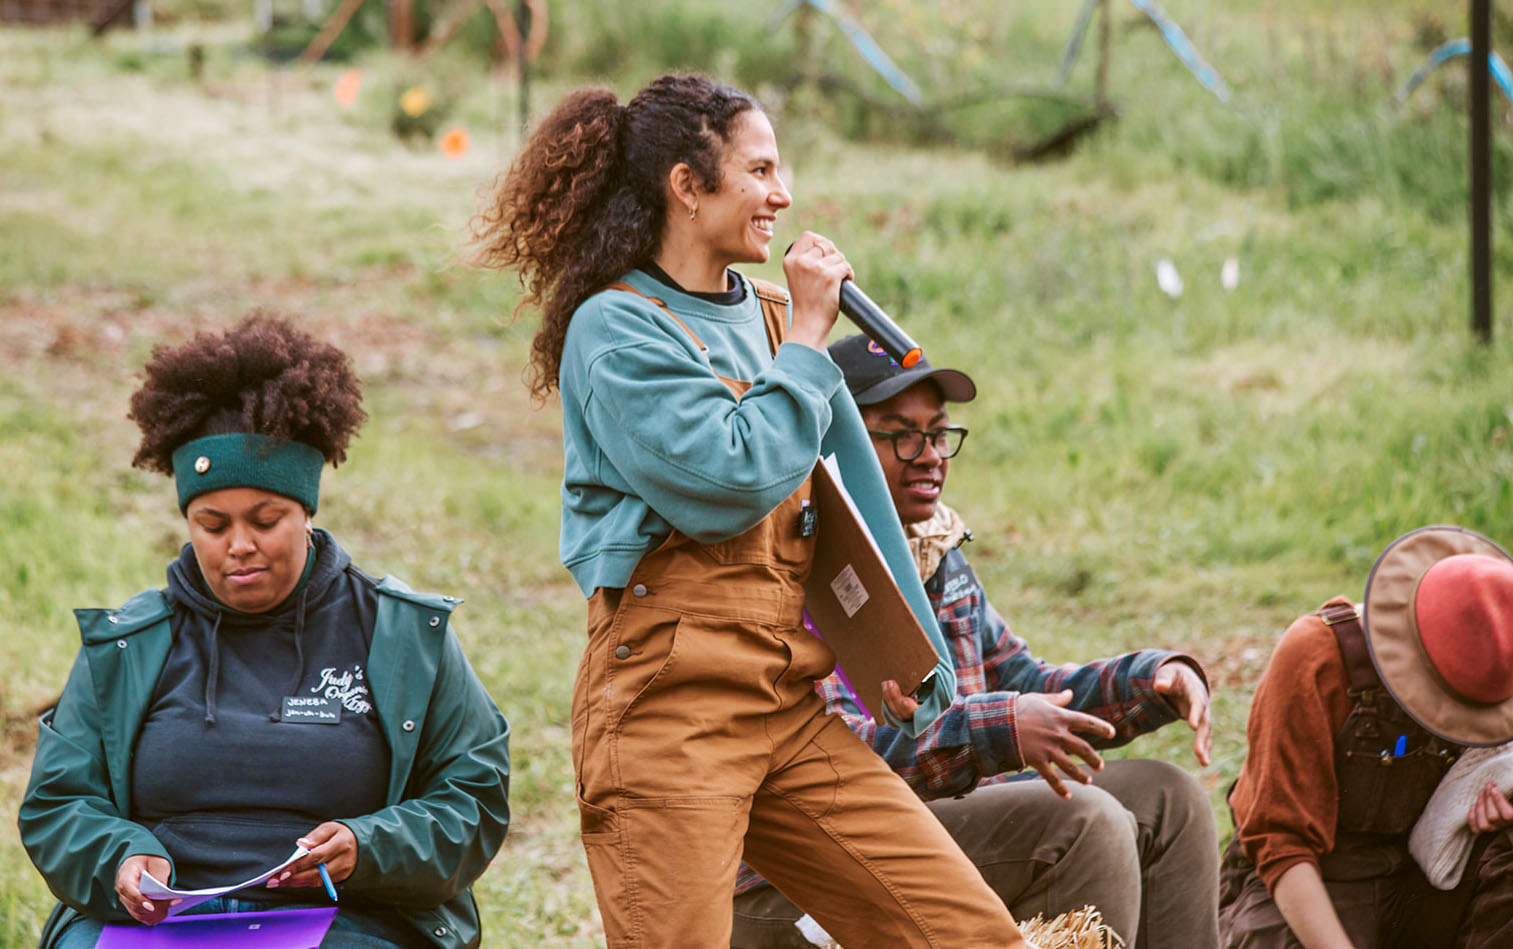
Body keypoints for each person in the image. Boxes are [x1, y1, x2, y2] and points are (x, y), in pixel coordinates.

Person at [471, 74, 1025, 947]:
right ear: (687, 188)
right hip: (667, 709)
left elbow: (854, 500)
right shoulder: (617, 331)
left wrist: (905, 649)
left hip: (786, 700)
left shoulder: (773, 316)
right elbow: (729, 480)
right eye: (759, 170)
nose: (784, 193)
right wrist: (808, 335)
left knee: (963, 932)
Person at [18, 316, 511, 949]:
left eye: (266, 518)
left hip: (345, 924)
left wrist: (369, 847)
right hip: (157, 929)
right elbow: (60, 803)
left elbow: (472, 797)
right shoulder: (128, 646)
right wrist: (120, 858)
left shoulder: (404, 635)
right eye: (213, 524)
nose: (239, 546)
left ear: (305, 510)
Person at [730, 334, 1221, 949]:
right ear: (839, 444)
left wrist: (1152, 680)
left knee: (1169, 800)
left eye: (938, 433)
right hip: (815, 862)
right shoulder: (804, 559)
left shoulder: (931, 551)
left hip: (938, 816)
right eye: (900, 434)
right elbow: (833, 757)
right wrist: (1001, 729)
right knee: (1084, 823)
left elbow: (1024, 684)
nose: (930, 454)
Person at [1219, 525, 1513, 948]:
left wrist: (1494, 817)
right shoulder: (1316, 656)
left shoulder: (1495, 657)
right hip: (1310, 881)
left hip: (1418, 878)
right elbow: (1281, 845)